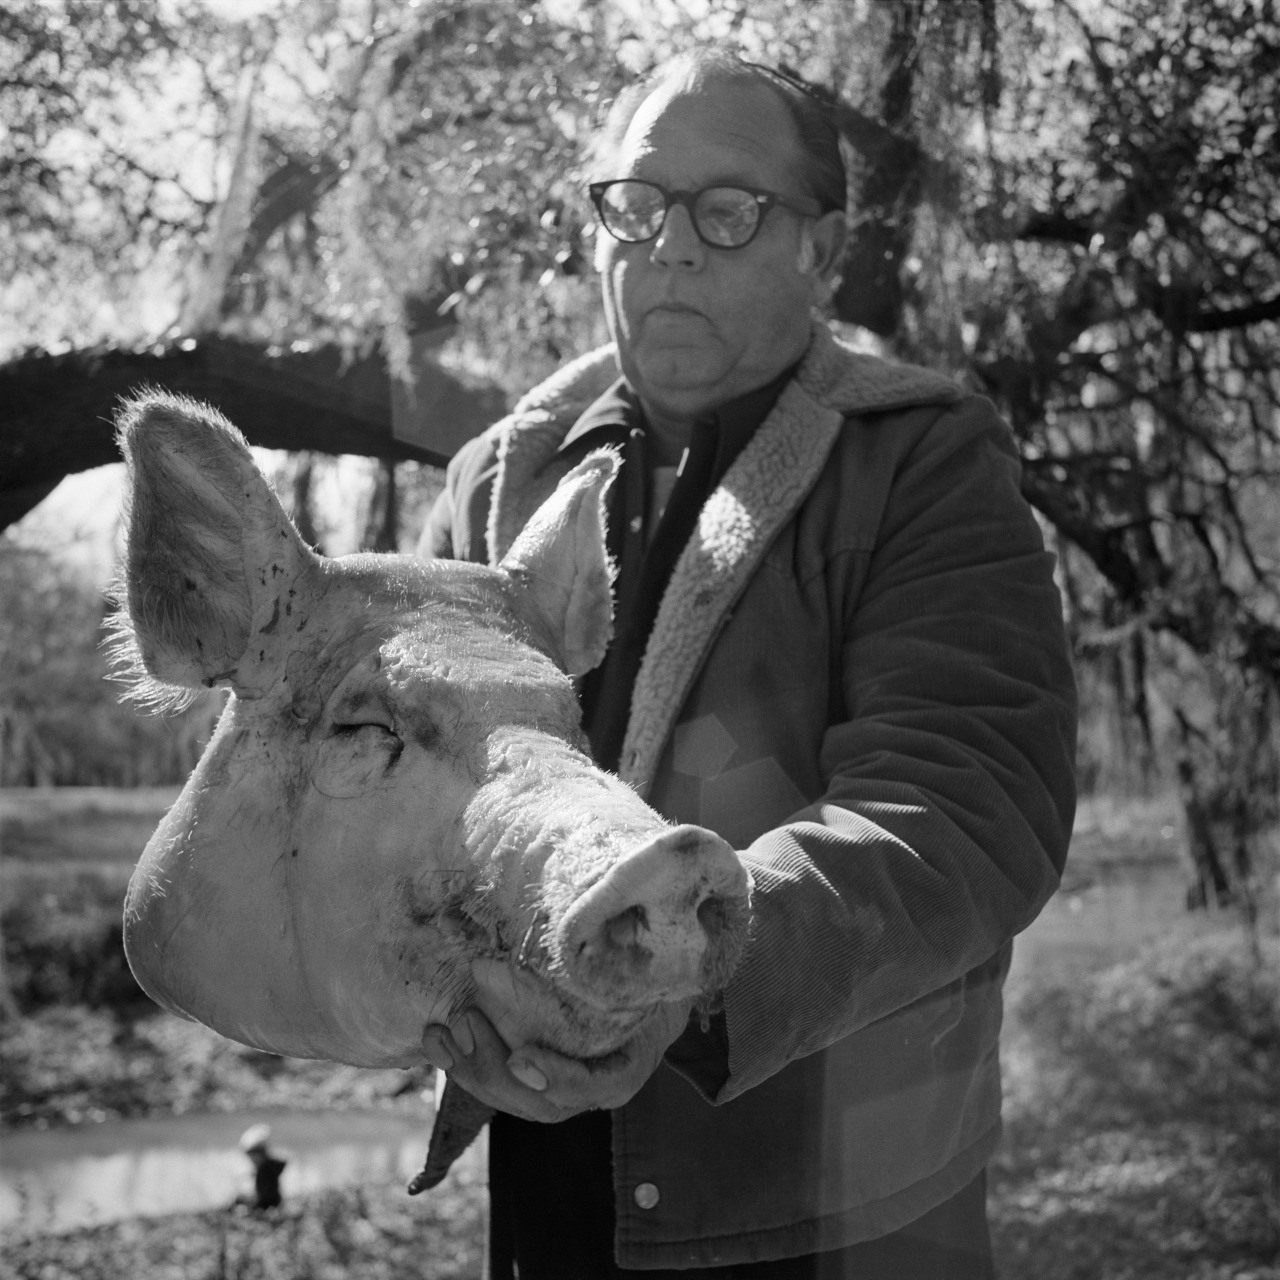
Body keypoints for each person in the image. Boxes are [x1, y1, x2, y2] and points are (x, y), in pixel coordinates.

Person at [418, 49, 1077, 1279]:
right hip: (550, 1183)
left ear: (819, 253)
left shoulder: (921, 463)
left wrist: (682, 966)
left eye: (727, 213)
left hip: (848, 1209)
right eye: (634, 204)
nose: (668, 248)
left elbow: (965, 803)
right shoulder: (491, 486)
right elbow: (419, 795)